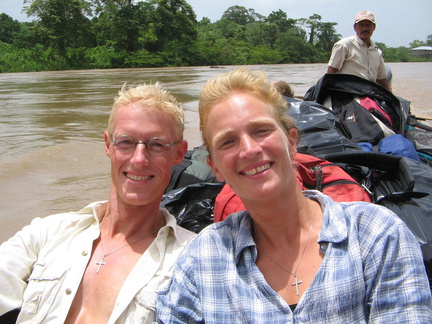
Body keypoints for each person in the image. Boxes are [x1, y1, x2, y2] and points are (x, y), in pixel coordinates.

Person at [157, 68, 432, 323]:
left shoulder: (376, 234)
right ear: (215, 167)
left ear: (291, 142)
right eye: (228, 141)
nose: (249, 150)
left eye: (261, 130)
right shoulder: (204, 257)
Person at [0, 83, 196, 323]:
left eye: (157, 144)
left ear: (179, 153)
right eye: (126, 142)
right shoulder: (46, 234)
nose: (139, 159)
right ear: (107, 145)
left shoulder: (190, 258)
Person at [327, 10, 392, 91]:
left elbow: (381, 79)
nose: (364, 28)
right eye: (361, 25)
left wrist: (391, 98)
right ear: (355, 27)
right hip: (349, 92)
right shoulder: (344, 45)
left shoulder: (377, 52)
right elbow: (331, 72)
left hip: (370, 92)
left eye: (368, 25)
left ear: (374, 27)